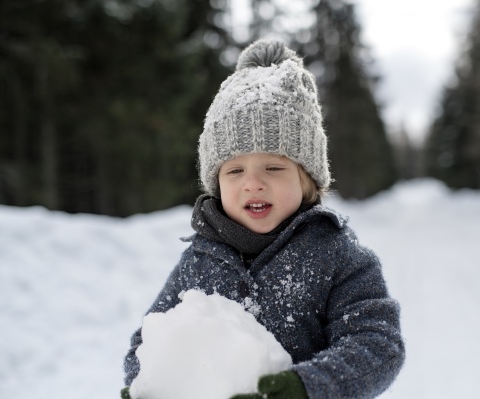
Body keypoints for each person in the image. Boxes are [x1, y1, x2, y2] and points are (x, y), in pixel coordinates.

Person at [122, 39, 405, 399]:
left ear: (307, 179)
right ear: (216, 183)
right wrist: (147, 383)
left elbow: (377, 344)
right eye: (235, 170)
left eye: (273, 167)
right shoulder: (200, 260)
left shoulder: (337, 256)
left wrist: (306, 387)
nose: (252, 183)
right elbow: (148, 340)